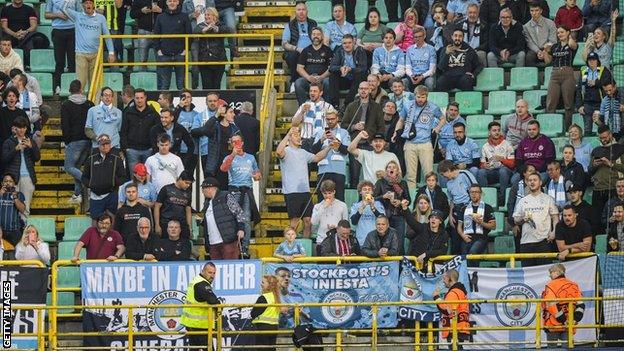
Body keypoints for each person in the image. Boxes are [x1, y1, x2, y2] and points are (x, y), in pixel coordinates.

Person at [277, 127, 331, 238]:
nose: (299, 137)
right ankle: (290, 244)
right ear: (290, 138)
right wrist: (287, 135)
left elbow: (316, 157)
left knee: (308, 221)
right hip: (292, 191)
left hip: (305, 191)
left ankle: (305, 245)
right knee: (295, 221)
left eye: (299, 135)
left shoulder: (303, 152)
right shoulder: (286, 151)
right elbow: (278, 152)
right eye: (296, 135)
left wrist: (329, 147)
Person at [393, 85, 444, 189]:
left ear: (427, 97)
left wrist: (437, 128)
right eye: (418, 97)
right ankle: (411, 200)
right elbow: (401, 120)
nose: (420, 99)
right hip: (410, 143)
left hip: (425, 143)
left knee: (429, 174)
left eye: (423, 97)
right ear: (415, 96)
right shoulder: (407, 105)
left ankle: (430, 198)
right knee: (410, 175)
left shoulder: (433, 107)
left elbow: (443, 118)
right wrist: (395, 132)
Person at [220, 134, 261, 257]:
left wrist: (256, 176)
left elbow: (258, 174)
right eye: (233, 142)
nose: (236, 144)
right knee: (233, 219)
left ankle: (245, 247)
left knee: (246, 218)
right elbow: (223, 169)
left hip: (247, 190)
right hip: (234, 190)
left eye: (237, 141)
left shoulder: (251, 158)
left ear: (242, 143)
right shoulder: (229, 157)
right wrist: (233, 154)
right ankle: (234, 247)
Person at [62, 0, 115, 89]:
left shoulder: (101, 18)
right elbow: (64, 9)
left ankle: (94, 102)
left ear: (93, 5)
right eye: (86, 3)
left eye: (90, 3)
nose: (88, 5)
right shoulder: (77, 16)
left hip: (96, 54)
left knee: (95, 83)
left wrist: (111, 52)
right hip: (81, 54)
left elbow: (107, 35)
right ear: (82, 5)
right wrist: (68, 1)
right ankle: (80, 102)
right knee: (80, 82)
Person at [341, 81, 385, 187]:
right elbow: (343, 125)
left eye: (365, 88)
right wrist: (354, 127)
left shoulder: (376, 107)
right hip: (355, 145)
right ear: (358, 90)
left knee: (371, 174)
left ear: (370, 90)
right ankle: (355, 201)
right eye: (361, 88)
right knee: (354, 176)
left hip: (369, 145)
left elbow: (381, 127)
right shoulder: (351, 106)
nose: (363, 90)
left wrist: (375, 142)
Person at [513, 173, 559, 266]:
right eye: (530, 180)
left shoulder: (548, 199)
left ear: (540, 182)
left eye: (535, 180)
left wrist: (554, 232)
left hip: (543, 241)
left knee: (544, 273)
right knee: (528, 274)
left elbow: (555, 217)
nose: (532, 182)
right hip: (526, 242)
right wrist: (523, 219)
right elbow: (516, 220)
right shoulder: (523, 201)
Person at [82, 134, 127, 224]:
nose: (105, 146)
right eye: (103, 144)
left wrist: (113, 183)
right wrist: (91, 185)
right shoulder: (90, 159)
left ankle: (112, 238)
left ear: (110, 145)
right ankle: (95, 238)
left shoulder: (117, 159)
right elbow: (84, 177)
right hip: (95, 195)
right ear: (98, 145)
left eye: (107, 144)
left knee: (112, 217)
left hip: (111, 194)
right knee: (95, 219)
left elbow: (123, 177)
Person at [61, 79, 93, 204]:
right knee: (77, 167)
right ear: (81, 90)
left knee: (69, 167)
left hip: (74, 140)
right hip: (87, 140)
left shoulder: (66, 104)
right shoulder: (89, 104)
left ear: (70, 90)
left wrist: (67, 140)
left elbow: (65, 125)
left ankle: (89, 183)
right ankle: (77, 194)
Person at [191, 105, 238, 188]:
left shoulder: (234, 128)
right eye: (231, 112)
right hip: (215, 165)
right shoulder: (215, 127)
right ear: (223, 114)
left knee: (226, 191)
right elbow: (205, 130)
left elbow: (240, 143)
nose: (233, 114)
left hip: (229, 165)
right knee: (211, 191)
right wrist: (216, 115)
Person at [199, 177, 246, 259]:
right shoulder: (207, 203)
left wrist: (241, 228)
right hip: (212, 242)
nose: (202, 192)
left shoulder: (226, 196)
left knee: (230, 268)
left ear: (210, 188)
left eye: (203, 189)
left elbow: (238, 212)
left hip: (228, 240)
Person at [2, 116, 39, 216]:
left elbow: (37, 158)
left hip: (28, 177)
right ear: (15, 128)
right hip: (12, 179)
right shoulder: (8, 142)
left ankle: (24, 230)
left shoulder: (30, 140)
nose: (21, 130)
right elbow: (4, 159)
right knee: (10, 206)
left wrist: (31, 147)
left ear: (26, 128)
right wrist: (15, 149)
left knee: (25, 208)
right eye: (19, 127)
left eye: (23, 127)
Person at [439, 160, 478, 255]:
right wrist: (450, 215)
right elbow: (452, 200)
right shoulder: (448, 184)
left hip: (468, 210)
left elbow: (476, 190)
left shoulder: (465, 174)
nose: (443, 177)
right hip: (456, 212)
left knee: (467, 241)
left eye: (443, 174)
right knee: (455, 242)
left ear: (448, 170)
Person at [589, 126, 624, 229]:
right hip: (598, 189)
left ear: (610, 134)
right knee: (597, 220)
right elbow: (590, 170)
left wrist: (610, 163)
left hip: (614, 188)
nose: (603, 140)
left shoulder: (621, 149)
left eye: (605, 137)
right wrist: (594, 164)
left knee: (615, 219)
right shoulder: (596, 150)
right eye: (601, 138)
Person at [541, 263, 585, 345]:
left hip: (553, 324)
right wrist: (575, 319)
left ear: (557, 272)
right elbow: (581, 305)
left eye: (551, 272)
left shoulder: (550, 285)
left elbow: (551, 305)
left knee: (552, 348)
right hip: (569, 324)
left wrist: (563, 320)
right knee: (568, 347)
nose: (549, 276)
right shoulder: (574, 285)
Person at [311, 109, 350, 201]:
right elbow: (314, 151)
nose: (330, 121)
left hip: (339, 170)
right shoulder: (320, 132)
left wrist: (334, 138)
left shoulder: (344, 132)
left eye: (332, 119)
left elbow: (346, 150)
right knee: (322, 199)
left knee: (339, 199)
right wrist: (322, 139)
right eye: (328, 119)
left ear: (337, 118)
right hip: (323, 169)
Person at [181, 262, 220, 351]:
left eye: (214, 273)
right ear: (203, 271)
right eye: (209, 272)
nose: (212, 276)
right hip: (200, 325)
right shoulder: (202, 284)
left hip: (192, 324)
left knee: (194, 348)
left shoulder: (196, 280)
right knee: (209, 348)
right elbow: (214, 302)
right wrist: (219, 304)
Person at [544, 25, 577, 129]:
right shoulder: (554, 46)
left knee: (568, 103)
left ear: (567, 32)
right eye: (558, 33)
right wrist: (545, 50)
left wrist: (570, 36)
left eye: (562, 32)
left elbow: (572, 45)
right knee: (551, 102)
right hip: (554, 74)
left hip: (567, 73)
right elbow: (548, 61)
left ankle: (568, 129)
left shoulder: (571, 44)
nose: (559, 34)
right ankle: (551, 128)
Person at [153, 0, 191, 90]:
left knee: (181, 85)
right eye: (170, 1)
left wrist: (185, 50)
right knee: (164, 85)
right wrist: (159, 50)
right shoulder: (160, 17)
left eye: (174, 1)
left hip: (180, 55)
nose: (172, 3)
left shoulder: (184, 16)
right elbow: (156, 35)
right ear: (166, 2)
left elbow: (189, 35)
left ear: (178, 2)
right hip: (164, 55)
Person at [373, 160, 410, 254]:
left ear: (397, 171)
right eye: (389, 167)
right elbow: (373, 199)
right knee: (385, 243)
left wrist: (400, 202)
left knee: (399, 243)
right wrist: (383, 196)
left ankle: (401, 267)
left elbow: (408, 199)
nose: (391, 169)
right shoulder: (380, 182)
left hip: (399, 216)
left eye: (394, 167)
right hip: (385, 216)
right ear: (386, 170)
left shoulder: (403, 183)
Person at [121, 88, 160, 173]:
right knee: (134, 178)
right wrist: (126, 148)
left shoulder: (153, 113)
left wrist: (154, 148)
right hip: (132, 150)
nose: (139, 100)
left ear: (145, 97)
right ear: (134, 98)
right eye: (137, 98)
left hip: (149, 150)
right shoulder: (128, 113)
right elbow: (123, 131)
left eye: (141, 98)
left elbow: (158, 131)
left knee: (148, 176)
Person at [282, 1, 317, 92]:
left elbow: (317, 37)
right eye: (299, 10)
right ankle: (294, 81)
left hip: (311, 50)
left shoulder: (313, 23)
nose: (301, 12)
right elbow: (284, 43)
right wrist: (297, 48)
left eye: (303, 9)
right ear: (295, 12)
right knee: (293, 55)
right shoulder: (290, 25)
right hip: (296, 51)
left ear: (307, 12)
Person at [294, 27, 333, 105]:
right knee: (298, 83)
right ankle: (304, 107)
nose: (316, 36)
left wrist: (321, 77)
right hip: (308, 81)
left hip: (322, 81)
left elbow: (331, 68)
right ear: (310, 36)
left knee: (328, 82)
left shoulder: (328, 50)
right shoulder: (305, 50)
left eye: (318, 34)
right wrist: (308, 77)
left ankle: (326, 107)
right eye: (314, 34)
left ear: (322, 36)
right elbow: (299, 68)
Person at [479, 121, 515, 204]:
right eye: (494, 130)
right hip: (492, 171)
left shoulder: (507, 145)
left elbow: (512, 164)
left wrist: (502, 159)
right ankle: (485, 199)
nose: (497, 132)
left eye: (498, 130)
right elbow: (481, 164)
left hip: (506, 171)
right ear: (489, 132)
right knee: (481, 172)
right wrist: (484, 165)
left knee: (503, 171)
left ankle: (503, 199)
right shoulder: (485, 146)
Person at [327, 34, 367, 109]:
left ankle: (347, 104)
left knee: (361, 75)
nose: (347, 45)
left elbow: (363, 68)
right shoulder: (339, 51)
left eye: (349, 43)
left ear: (354, 43)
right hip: (344, 79)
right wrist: (341, 68)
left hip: (356, 81)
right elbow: (331, 67)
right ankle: (334, 106)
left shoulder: (360, 51)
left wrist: (350, 69)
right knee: (333, 75)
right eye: (344, 43)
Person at [194, 7, 230, 89]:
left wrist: (214, 27)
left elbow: (226, 30)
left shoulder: (221, 25)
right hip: (205, 59)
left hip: (219, 59)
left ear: (215, 16)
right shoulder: (201, 25)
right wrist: (205, 29)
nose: (206, 17)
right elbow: (196, 31)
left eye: (209, 15)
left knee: (217, 85)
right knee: (206, 85)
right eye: (205, 15)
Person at [576, 52, 612, 134]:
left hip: (601, 104)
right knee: (587, 129)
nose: (591, 61)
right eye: (589, 60)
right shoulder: (583, 72)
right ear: (587, 61)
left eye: (594, 60)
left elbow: (608, 83)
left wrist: (596, 83)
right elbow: (579, 89)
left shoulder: (604, 70)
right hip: (587, 104)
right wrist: (579, 105)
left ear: (597, 61)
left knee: (603, 128)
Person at [433, 269, 470, 349]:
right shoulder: (460, 291)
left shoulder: (454, 292)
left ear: (450, 279)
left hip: (454, 328)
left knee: (455, 348)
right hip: (459, 327)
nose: (443, 281)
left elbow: (446, 310)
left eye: (444, 278)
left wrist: (436, 297)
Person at [291, 83, 334, 152]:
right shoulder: (303, 106)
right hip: (306, 141)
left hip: (322, 141)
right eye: (310, 91)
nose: (312, 93)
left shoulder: (328, 107)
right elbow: (294, 124)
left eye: (315, 91)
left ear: (321, 93)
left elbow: (334, 124)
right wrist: (302, 112)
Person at [457, 184, 496, 256]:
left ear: (480, 193)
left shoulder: (487, 207)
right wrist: (463, 235)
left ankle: (474, 267)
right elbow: (459, 226)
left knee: (473, 251)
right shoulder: (464, 208)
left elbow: (493, 226)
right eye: (471, 192)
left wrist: (481, 223)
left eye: (476, 192)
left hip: (481, 238)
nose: (473, 194)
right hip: (467, 237)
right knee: (463, 255)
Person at [311, 179, 348, 252]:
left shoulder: (342, 205)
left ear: (334, 192)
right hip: (321, 239)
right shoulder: (317, 206)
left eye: (329, 193)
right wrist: (323, 207)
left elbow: (346, 223)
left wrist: (337, 227)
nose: (327, 195)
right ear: (322, 193)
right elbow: (314, 222)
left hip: (338, 240)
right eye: (325, 193)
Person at [154, 170, 193, 239]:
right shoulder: (166, 189)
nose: (188, 185)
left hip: (181, 224)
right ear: (180, 179)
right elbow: (157, 206)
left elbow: (188, 211)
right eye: (186, 183)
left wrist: (189, 228)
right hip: (166, 223)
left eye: (190, 184)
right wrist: (157, 225)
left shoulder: (188, 193)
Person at [0, 0, 38, 69]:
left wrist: (25, 32)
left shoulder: (30, 9)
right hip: (10, 35)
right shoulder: (5, 10)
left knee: (29, 40)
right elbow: (4, 27)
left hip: (26, 35)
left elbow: (34, 26)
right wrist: (15, 34)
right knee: (5, 41)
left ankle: (27, 65)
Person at [129, 0, 164, 71]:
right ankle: (142, 80)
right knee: (142, 60)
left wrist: (161, 10)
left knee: (161, 60)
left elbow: (172, 12)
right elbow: (132, 14)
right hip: (143, 31)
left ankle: (161, 81)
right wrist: (142, 11)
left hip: (160, 32)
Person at [85, 87, 123, 152]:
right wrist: (97, 138)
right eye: (105, 95)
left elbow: (119, 130)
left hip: (114, 147)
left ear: (112, 98)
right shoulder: (92, 110)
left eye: (110, 95)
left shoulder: (119, 112)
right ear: (101, 97)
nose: (107, 97)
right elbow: (87, 130)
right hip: (97, 146)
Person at [350, 180, 385, 246]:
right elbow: (353, 222)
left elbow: (383, 219)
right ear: (360, 192)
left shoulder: (378, 204)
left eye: (369, 189)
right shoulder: (355, 205)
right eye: (364, 189)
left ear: (372, 192)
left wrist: (373, 207)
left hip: (376, 240)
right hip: (361, 240)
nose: (367, 191)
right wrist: (362, 207)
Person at [251, 275, 281, 351]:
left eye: (263, 282)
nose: (261, 284)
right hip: (274, 328)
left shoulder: (264, 297)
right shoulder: (276, 297)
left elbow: (253, 313)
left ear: (269, 285)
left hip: (262, 328)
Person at [523, 3, 557, 67]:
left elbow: (553, 40)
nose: (534, 13)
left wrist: (545, 51)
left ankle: (549, 75)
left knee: (554, 53)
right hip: (535, 50)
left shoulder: (550, 23)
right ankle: (532, 75)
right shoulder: (526, 26)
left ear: (541, 11)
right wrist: (538, 51)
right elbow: (530, 43)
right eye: (532, 11)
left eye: (536, 10)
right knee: (529, 56)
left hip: (548, 48)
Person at [404, 27, 436, 91]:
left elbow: (432, 70)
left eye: (420, 36)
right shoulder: (409, 49)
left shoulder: (431, 49)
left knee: (430, 82)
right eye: (415, 37)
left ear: (424, 36)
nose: (418, 39)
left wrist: (422, 76)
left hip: (426, 76)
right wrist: (411, 75)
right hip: (413, 76)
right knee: (403, 82)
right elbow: (408, 68)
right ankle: (409, 99)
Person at [457, 3, 488, 68]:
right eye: (470, 12)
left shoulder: (484, 26)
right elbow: (456, 39)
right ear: (467, 13)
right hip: (463, 49)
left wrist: (475, 50)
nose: (472, 15)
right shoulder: (460, 25)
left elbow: (486, 43)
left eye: (474, 13)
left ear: (478, 13)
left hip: (477, 50)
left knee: (481, 54)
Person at [0, 172, 26, 246]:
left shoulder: (19, 194)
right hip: (0, 231)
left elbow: (22, 210)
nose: (8, 183)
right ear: (2, 183)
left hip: (14, 230)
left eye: (10, 181)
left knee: (18, 252)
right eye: (5, 181)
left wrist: (15, 198)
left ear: (14, 183)